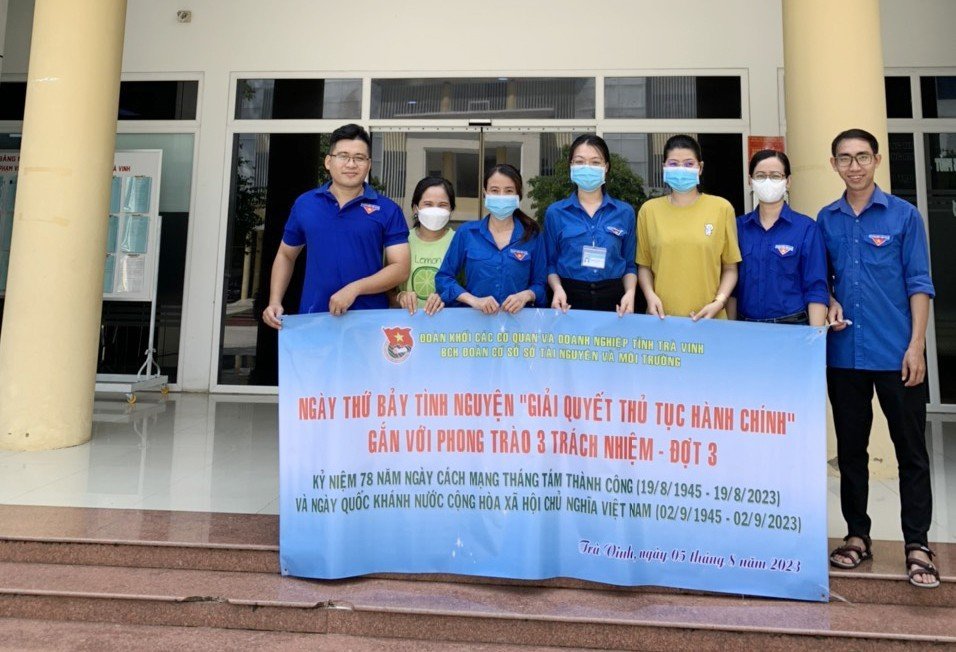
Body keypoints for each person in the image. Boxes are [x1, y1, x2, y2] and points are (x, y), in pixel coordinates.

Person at [821, 128, 939, 589]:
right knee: (851, 452)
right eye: (845, 158)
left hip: (896, 354)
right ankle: (857, 535)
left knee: (911, 452)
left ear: (877, 160)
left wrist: (916, 346)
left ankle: (917, 544)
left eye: (862, 157)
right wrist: (829, 300)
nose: (854, 166)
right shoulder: (826, 219)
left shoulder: (904, 216)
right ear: (834, 164)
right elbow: (820, 280)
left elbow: (919, 283)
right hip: (844, 355)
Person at [262, 123, 410, 327]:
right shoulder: (305, 204)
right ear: (328, 161)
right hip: (315, 319)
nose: (351, 164)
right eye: (343, 156)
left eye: (359, 158)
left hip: (369, 321)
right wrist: (274, 300)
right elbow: (286, 255)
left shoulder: (387, 209)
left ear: (368, 165)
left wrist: (354, 289)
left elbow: (400, 268)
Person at [637, 134, 740, 320]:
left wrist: (719, 302)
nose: (681, 169)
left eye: (688, 164)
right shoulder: (649, 210)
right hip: (662, 319)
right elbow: (644, 266)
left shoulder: (721, 208)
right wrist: (650, 296)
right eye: (673, 164)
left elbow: (730, 268)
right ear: (664, 167)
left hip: (710, 320)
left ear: (700, 167)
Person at [727, 150, 828, 326]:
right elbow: (732, 288)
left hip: (792, 327)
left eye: (775, 176)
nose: (767, 181)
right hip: (747, 327)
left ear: (788, 181)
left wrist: (816, 335)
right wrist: (730, 329)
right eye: (760, 176)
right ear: (750, 180)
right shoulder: (738, 227)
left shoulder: (806, 228)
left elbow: (816, 287)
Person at [544, 134, 638, 316]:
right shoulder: (555, 213)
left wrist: (630, 293)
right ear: (571, 166)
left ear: (606, 167)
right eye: (580, 162)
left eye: (595, 162)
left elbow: (629, 265)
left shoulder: (625, 212)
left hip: (614, 300)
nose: (587, 168)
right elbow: (550, 264)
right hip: (567, 298)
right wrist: (557, 289)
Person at [435, 163, 546, 314]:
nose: (501, 196)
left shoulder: (532, 235)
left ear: (518, 195)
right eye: (494, 190)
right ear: (485, 193)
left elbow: (541, 285)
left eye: (509, 191)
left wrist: (526, 295)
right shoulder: (467, 233)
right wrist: (473, 300)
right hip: (475, 322)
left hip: (518, 323)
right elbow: (443, 279)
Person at [394, 177, 456, 316]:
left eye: (442, 205)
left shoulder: (459, 241)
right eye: (428, 204)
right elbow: (388, 290)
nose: (435, 210)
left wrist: (447, 297)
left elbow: (468, 288)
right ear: (415, 208)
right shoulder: (401, 241)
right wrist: (400, 296)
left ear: (451, 210)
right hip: (408, 322)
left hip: (450, 323)